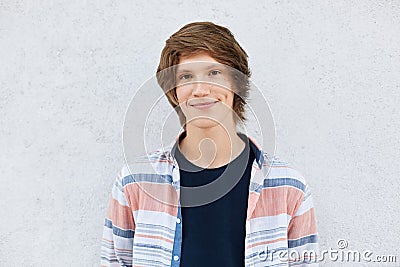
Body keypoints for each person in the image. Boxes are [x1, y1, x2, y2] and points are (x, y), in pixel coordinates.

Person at [101, 21, 319, 267]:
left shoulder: (290, 186)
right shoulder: (135, 180)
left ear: (235, 84)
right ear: (174, 91)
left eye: (214, 73)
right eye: (186, 76)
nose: (200, 89)